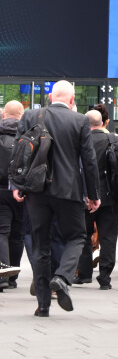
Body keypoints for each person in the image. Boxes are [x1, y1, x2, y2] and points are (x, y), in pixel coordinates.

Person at [14, 81, 100, 317]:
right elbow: (89, 161)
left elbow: (19, 152)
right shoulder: (80, 120)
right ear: (72, 100)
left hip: (36, 191)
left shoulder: (30, 116)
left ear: (51, 97)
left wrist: (17, 185)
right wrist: (93, 195)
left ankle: (43, 306)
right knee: (77, 236)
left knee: (40, 245)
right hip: (68, 191)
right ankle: (62, 277)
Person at [75, 110, 118, 290]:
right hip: (110, 195)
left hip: (85, 195)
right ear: (103, 123)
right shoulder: (114, 140)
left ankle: (84, 273)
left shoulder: (79, 141)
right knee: (108, 236)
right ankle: (105, 276)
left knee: (84, 235)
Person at [0, 101, 25, 289]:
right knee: (18, 234)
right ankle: (13, 277)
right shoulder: (27, 134)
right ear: (22, 115)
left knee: (2, 232)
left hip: (0, 190)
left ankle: (2, 274)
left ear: (3, 115)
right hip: (21, 190)